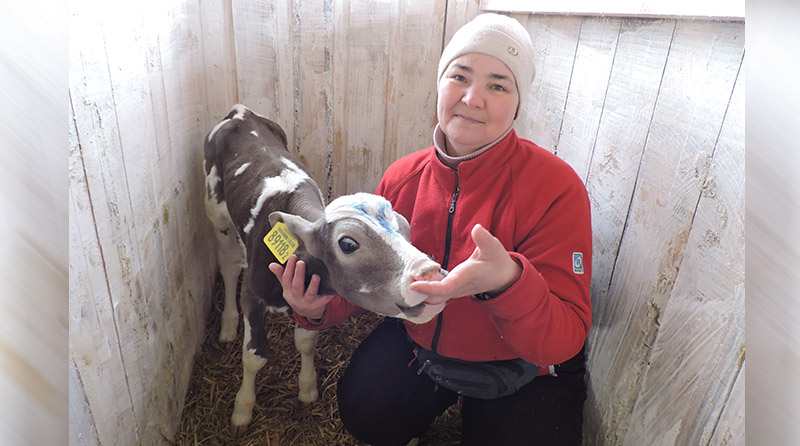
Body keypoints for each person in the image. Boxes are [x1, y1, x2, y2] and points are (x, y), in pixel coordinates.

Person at [269, 13, 592, 446]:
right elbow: (365, 278)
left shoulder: (556, 188)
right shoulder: (403, 178)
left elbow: (565, 337)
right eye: (460, 76)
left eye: (498, 85)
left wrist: (507, 282)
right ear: (440, 85)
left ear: (518, 103)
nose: (472, 98)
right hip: (423, 344)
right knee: (365, 412)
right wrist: (314, 307)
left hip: (523, 365)